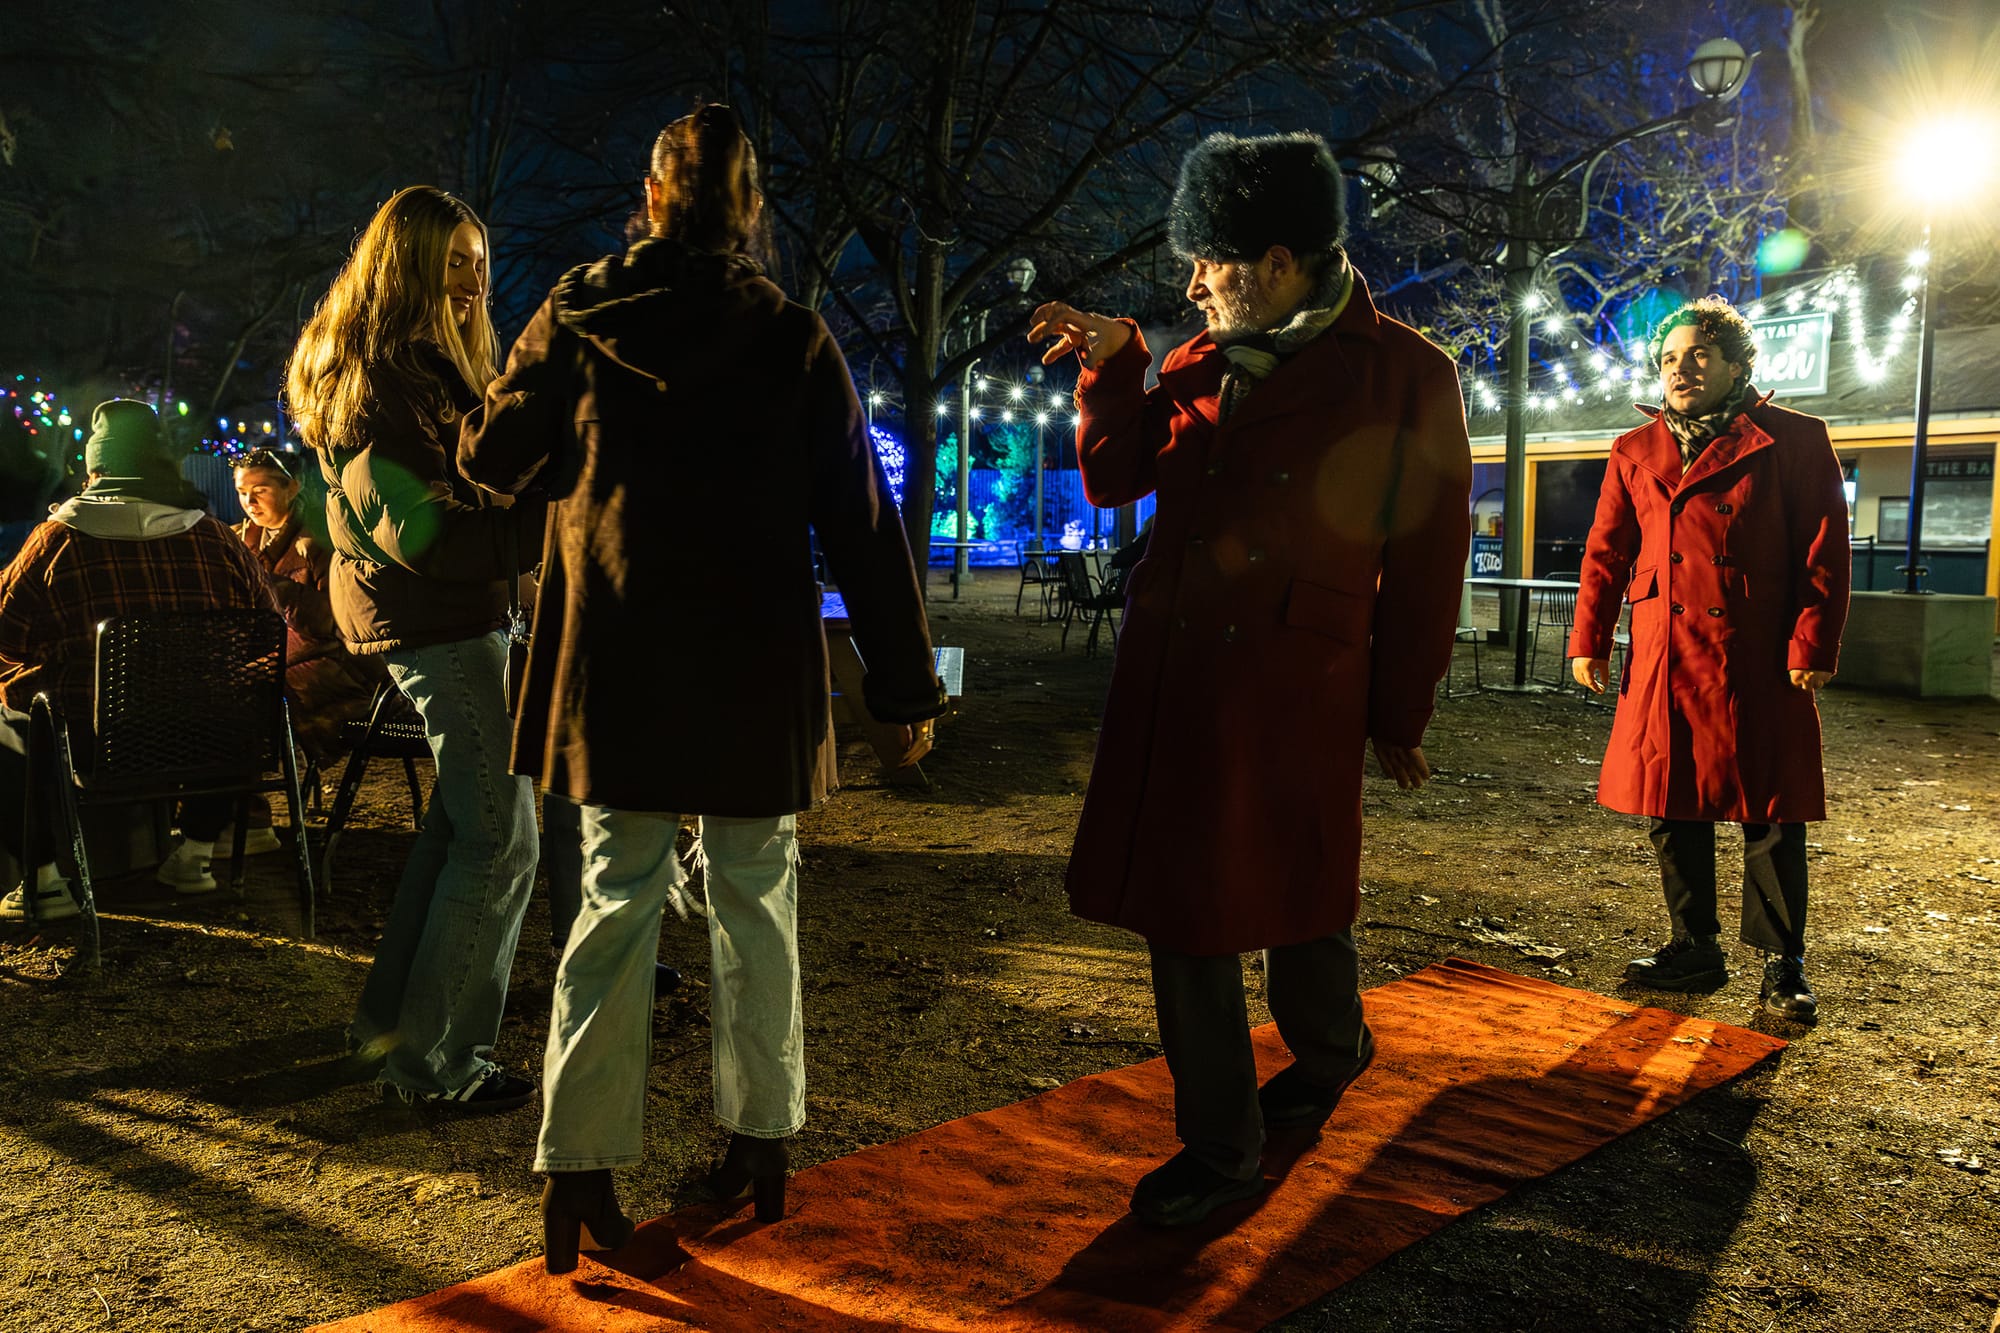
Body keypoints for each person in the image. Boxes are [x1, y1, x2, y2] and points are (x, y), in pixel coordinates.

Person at [459, 104, 945, 1274]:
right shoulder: (791, 337)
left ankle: (578, 1166)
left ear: (650, 199)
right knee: (756, 895)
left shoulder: (578, 313)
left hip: (616, 658)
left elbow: (489, 458)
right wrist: (902, 687)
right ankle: (761, 1140)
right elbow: (862, 523)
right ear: (750, 211)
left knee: (612, 900)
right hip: (748, 663)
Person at [1027, 131, 1472, 1228]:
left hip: (1298, 683)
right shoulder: (1193, 359)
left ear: (1277, 262)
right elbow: (1112, 478)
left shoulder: (1408, 374)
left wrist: (1399, 708)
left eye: (1209, 261)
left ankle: (1328, 1050)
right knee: (1188, 911)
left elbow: (1428, 559)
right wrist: (1115, 365)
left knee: (1299, 892)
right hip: (1177, 680)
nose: (1192, 285)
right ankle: (1221, 1146)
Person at [285, 185, 544, 1111]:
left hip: (448, 618)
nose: (473, 283)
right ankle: (435, 1065)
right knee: (502, 840)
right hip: (439, 623)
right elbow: (429, 536)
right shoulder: (381, 383)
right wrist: (553, 519)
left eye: (479, 263)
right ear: (405, 272)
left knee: (458, 833)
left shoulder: (421, 371)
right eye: (452, 264)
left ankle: (388, 1030)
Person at [1569, 296, 1849, 1024]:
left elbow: (1823, 551)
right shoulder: (1634, 448)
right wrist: (1588, 638)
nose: (1680, 368)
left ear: (1736, 363)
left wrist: (1813, 642)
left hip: (1758, 650)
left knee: (1771, 808)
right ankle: (1693, 946)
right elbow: (1606, 552)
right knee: (1670, 800)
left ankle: (1783, 964)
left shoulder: (1796, 438)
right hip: (1665, 649)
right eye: (1669, 358)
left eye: (1698, 354)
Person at [0, 400, 276, 920]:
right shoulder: (217, 538)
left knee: (7, 724)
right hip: (210, 745)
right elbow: (267, 631)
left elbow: (7, 639)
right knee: (225, 700)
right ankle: (194, 856)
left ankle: (44, 881)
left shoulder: (57, 540)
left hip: (93, 745)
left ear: (95, 470)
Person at [229, 448, 386, 849]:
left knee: (250, 697)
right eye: (242, 492)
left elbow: (334, 623)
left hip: (333, 666)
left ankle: (251, 817)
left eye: (261, 490)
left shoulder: (320, 541)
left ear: (292, 487)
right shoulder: (238, 540)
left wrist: (277, 588)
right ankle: (235, 810)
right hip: (269, 657)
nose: (249, 502)